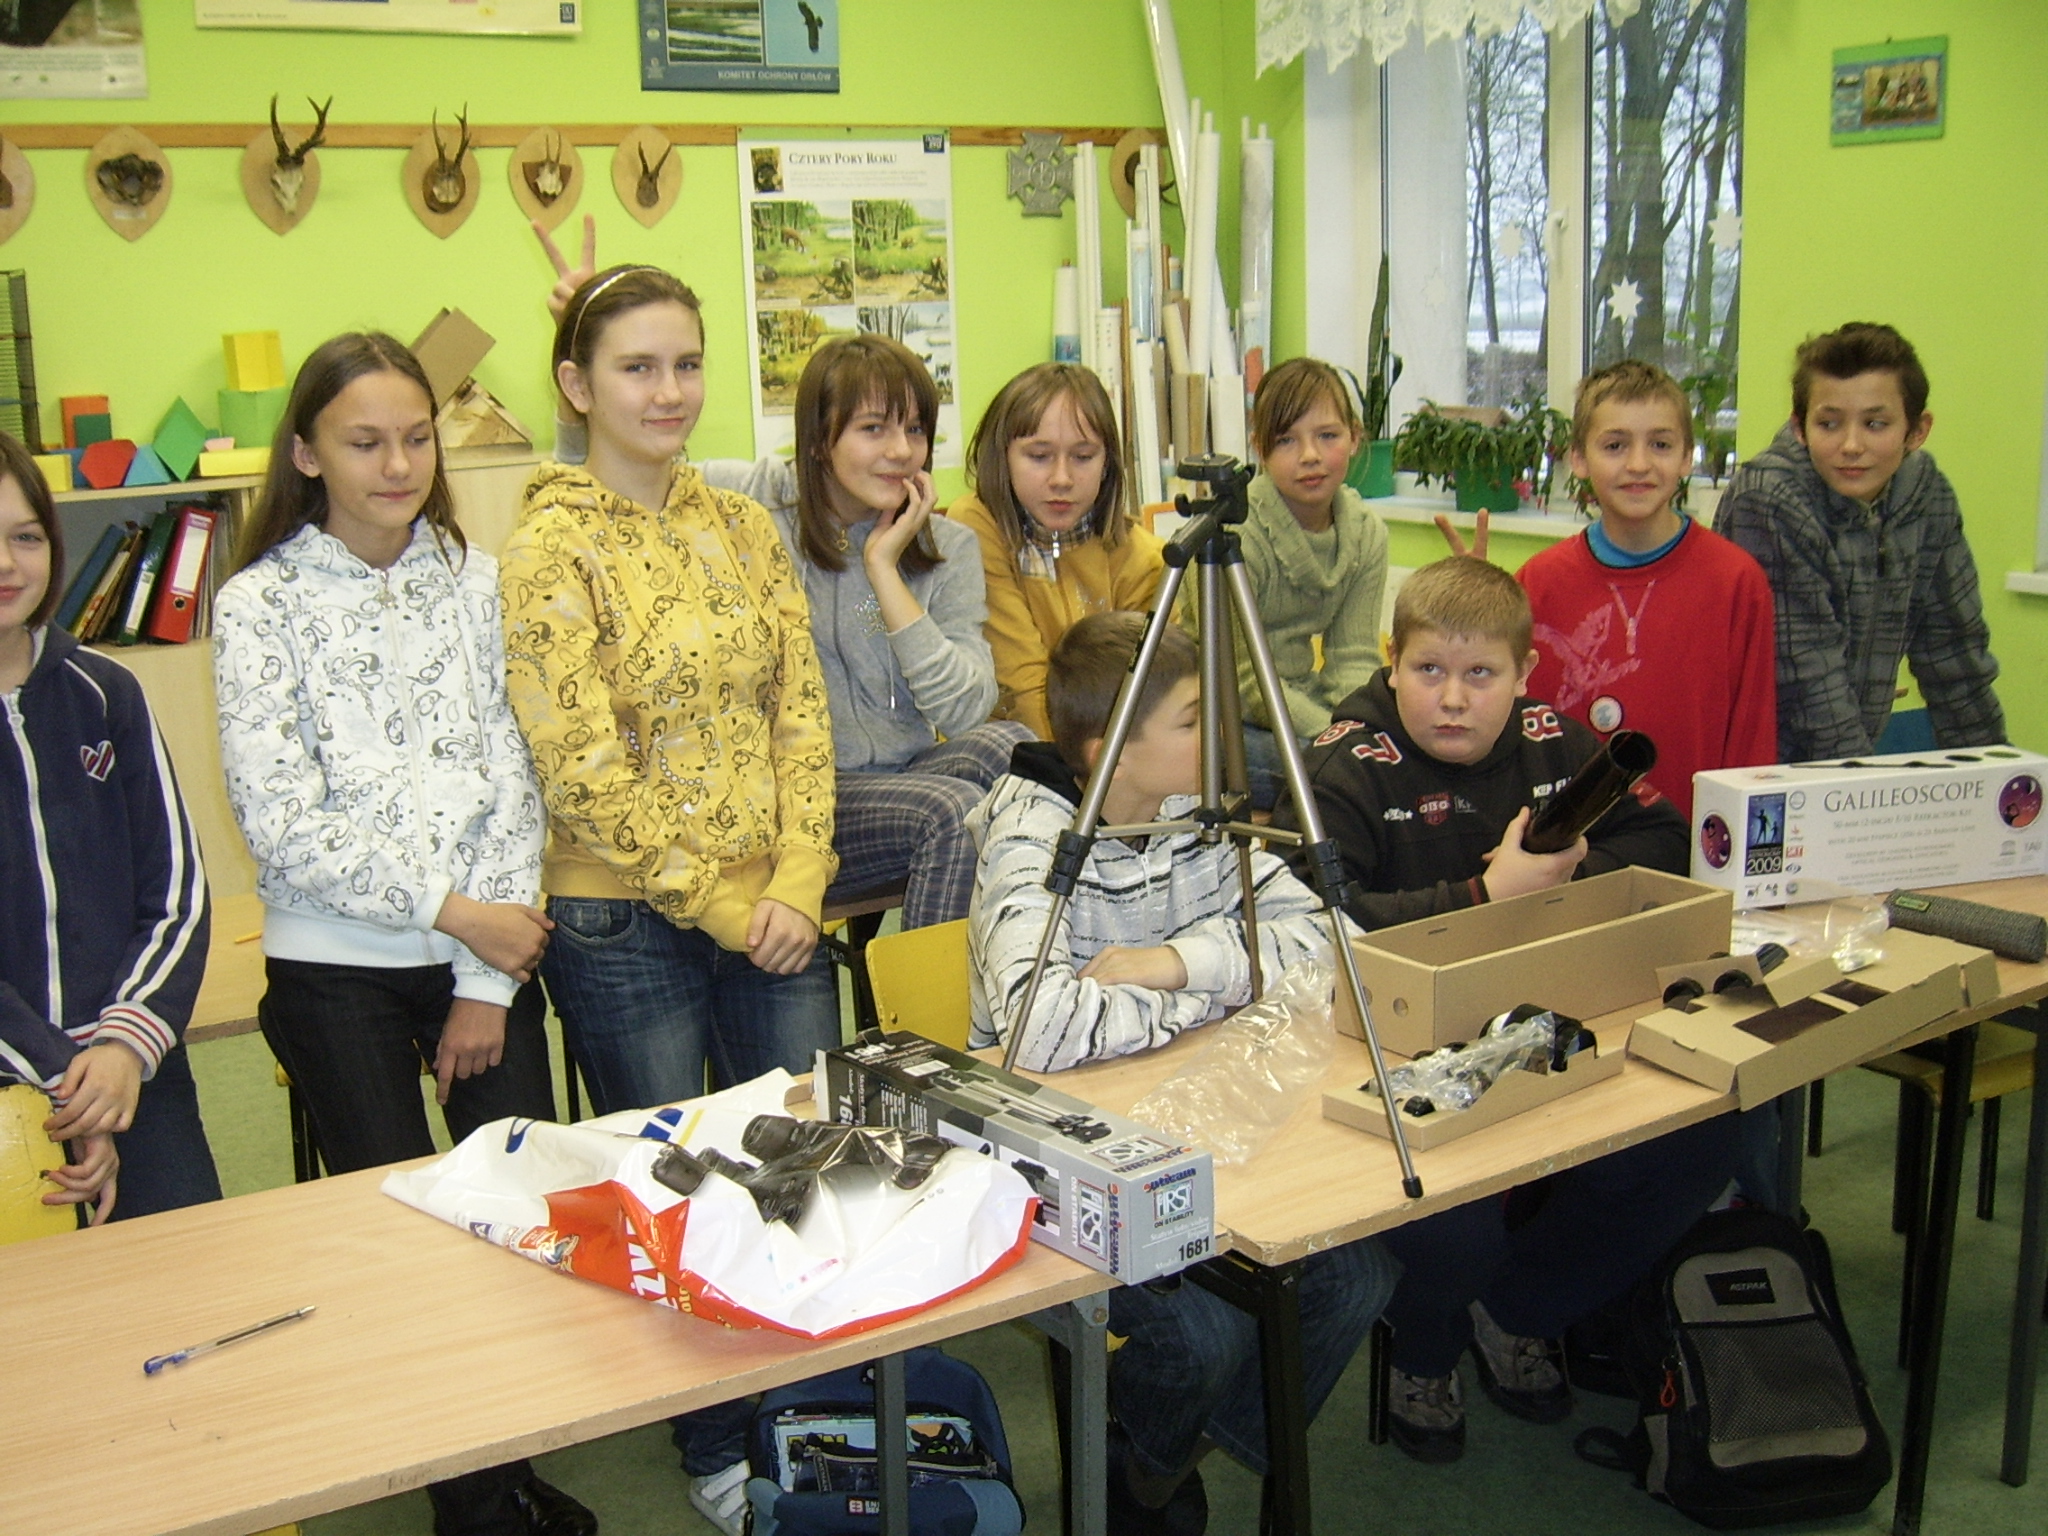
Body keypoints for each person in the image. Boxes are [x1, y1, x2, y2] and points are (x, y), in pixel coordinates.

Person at [213, 336, 591, 1536]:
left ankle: (510, 1457)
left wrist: (482, 975)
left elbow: (515, 777)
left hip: (485, 966)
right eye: (364, 442)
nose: (396, 465)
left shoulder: (478, 581)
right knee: (405, 1237)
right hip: (336, 971)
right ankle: (473, 1499)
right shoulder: (257, 603)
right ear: (305, 454)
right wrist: (453, 914)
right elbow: (282, 821)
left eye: (417, 439)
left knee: (514, 1217)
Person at [499, 264, 837, 1536]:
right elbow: (577, 764)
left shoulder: (742, 526)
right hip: (624, 921)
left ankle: (809, 1416)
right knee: (683, 1192)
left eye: (686, 363)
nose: (668, 391)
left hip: (774, 910)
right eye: (636, 367)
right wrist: (720, 904)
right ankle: (715, 1447)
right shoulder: (546, 549)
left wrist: (798, 877)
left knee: (798, 1174)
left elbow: (800, 713)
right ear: (577, 386)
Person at [1275, 557, 1738, 1463]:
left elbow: (1664, 838)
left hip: (1550, 1026)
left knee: (1702, 1138)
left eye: (1480, 674)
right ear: (1391, 661)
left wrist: (1563, 878)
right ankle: (1426, 1351)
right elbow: (1311, 924)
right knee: (1457, 1215)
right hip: (1395, 1057)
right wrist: (1485, 895)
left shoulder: (1552, 739)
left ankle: (1518, 1309)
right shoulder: (1341, 766)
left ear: (1525, 673)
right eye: (1428, 671)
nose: (1453, 699)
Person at [967, 611, 1395, 1532]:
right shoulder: (1032, 838)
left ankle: (1155, 1461)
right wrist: (1220, 996)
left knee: (1358, 1278)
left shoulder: (1195, 819)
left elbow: (1336, 944)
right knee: (1203, 1337)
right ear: (1108, 752)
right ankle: (1148, 1461)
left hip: (1199, 1126)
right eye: (1195, 720)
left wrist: (1177, 965)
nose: (1222, 739)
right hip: (1064, 1161)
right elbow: (1040, 1028)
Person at [532, 219, 1023, 929]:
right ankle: (926, 1000)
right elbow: (612, 475)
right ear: (819, 439)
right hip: (805, 798)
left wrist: (885, 569)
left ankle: (1010, 964)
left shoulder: (946, 544)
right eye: (873, 429)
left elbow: (965, 711)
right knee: (951, 812)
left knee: (1015, 750)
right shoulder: (751, 506)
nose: (901, 452)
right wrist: (585, 339)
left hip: (907, 777)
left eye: (916, 429)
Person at [0, 432, 219, 1226]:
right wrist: (63, 1077)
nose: (7, 564)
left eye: (26, 537)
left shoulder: (106, 691)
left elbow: (177, 893)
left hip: (132, 1067)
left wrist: (123, 1047)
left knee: (187, 1275)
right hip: (15, 1076)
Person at [1718, 322, 2004, 763]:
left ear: (1917, 430)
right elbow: (1808, 683)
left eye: (1875, 424)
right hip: (1759, 766)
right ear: (1800, 427)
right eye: (1829, 423)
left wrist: (1996, 777)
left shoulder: (1927, 494)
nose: (1851, 445)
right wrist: (1861, 790)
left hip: (1849, 762)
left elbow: (1955, 654)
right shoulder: (1767, 498)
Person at [1512, 360, 1776, 819]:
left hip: (1695, 839)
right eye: (1615, 445)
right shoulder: (1537, 582)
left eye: (1660, 444)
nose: (1638, 464)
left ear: (1687, 456)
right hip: (1568, 845)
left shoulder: (1736, 582)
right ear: (1579, 459)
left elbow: (1752, 743)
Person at [1192, 357, 1389, 809]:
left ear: (1355, 437)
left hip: (1299, 703)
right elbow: (1241, 680)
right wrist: (1332, 739)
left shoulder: (1366, 533)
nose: (1310, 456)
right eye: (1286, 440)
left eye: (1328, 435)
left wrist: (1352, 731)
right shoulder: (1236, 535)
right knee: (1339, 773)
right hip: (1214, 712)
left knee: (1378, 758)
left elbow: (1354, 656)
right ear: (1259, 449)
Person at [949, 361, 1164, 739]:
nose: (1061, 479)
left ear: (1107, 464)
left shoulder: (1146, 558)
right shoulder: (973, 526)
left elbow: (1151, 697)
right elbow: (1020, 679)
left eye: (1083, 457)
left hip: (1112, 752)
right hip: (1010, 746)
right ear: (1003, 457)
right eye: (1039, 456)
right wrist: (1080, 771)